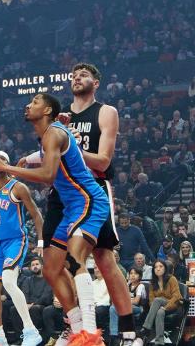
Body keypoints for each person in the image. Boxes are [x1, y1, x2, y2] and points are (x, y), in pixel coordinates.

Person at [0, 93, 111, 346]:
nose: (28, 105)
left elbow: (47, 174)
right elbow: (48, 159)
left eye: (34, 102)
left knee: (76, 256)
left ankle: (89, 332)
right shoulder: (47, 137)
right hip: (70, 207)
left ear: (47, 111)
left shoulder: (54, 132)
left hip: (88, 200)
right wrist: (26, 160)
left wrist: (7, 167)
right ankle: (75, 328)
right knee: (51, 269)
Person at [57, 63, 139, 346]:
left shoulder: (105, 112)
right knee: (61, 262)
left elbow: (103, 160)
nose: (77, 78)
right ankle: (76, 325)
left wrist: (68, 144)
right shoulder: (59, 116)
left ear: (96, 82)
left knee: (104, 259)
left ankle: (128, 333)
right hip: (65, 193)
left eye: (83, 75)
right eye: (74, 76)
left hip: (93, 188)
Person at [0, 150, 44, 346]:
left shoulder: (18, 187)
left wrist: (41, 242)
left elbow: (36, 215)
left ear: (7, 164)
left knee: (8, 281)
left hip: (16, 240)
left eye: (3, 161)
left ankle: (30, 330)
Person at [138, 260, 181, 346]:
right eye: (156, 267)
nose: (158, 269)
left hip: (172, 304)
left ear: (165, 268)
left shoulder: (172, 279)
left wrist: (165, 307)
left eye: (160, 266)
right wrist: (160, 308)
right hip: (159, 307)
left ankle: (146, 327)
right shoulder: (152, 282)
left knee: (157, 300)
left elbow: (177, 296)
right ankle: (159, 342)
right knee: (159, 312)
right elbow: (151, 300)